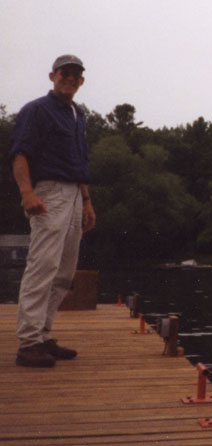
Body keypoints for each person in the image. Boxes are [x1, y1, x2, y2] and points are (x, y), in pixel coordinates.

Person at [9, 55, 97, 367]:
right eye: (65, 73)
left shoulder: (77, 114)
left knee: (64, 270)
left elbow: (80, 161)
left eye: (76, 75)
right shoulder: (36, 110)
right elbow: (20, 153)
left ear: (81, 81)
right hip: (48, 191)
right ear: (52, 76)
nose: (70, 78)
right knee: (43, 264)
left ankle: (43, 335)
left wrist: (86, 201)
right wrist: (27, 193)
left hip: (74, 192)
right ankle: (29, 342)